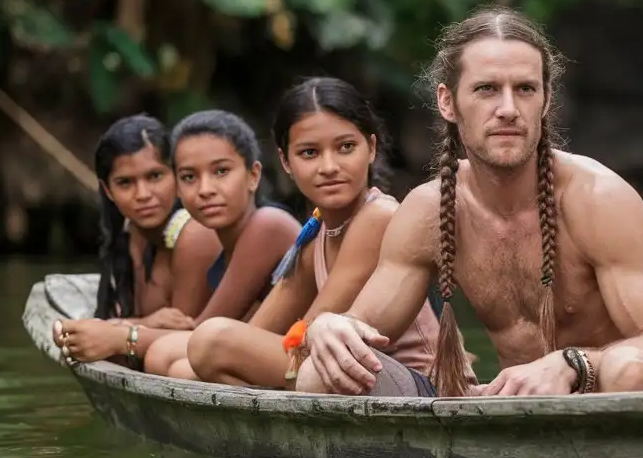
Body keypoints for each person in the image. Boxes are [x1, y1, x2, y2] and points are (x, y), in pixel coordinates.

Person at [296, 5, 643, 398]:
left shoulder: (598, 199)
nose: (508, 109)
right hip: (515, 409)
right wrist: (329, 327)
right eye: (487, 90)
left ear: (545, 99)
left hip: (610, 393)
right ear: (447, 102)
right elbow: (364, 328)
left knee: (630, 371)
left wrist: (575, 364)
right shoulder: (430, 211)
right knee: (319, 372)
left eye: (525, 89)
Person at [183, 77, 446, 392]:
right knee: (189, 357)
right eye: (309, 153)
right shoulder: (318, 230)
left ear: (371, 148)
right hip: (337, 373)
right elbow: (263, 331)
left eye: (346, 147)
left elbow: (307, 345)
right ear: (285, 162)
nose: (329, 166)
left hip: (416, 385)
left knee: (209, 343)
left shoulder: (378, 217)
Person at [51, 113, 223, 369]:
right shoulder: (127, 233)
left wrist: (119, 334)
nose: (143, 195)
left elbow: (188, 338)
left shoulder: (195, 233)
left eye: (155, 176)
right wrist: (147, 323)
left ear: (178, 176)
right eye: (125, 183)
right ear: (108, 190)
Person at [142, 109, 303, 378]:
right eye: (189, 177)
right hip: (273, 359)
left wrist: (123, 335)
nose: (205, 189)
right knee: (169, 359)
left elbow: (201, 332)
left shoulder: (268, 226)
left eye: (221, 171)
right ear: (178, 188)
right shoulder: (224, 244)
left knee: (174, 363)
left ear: (253, 176)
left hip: (306, 359)